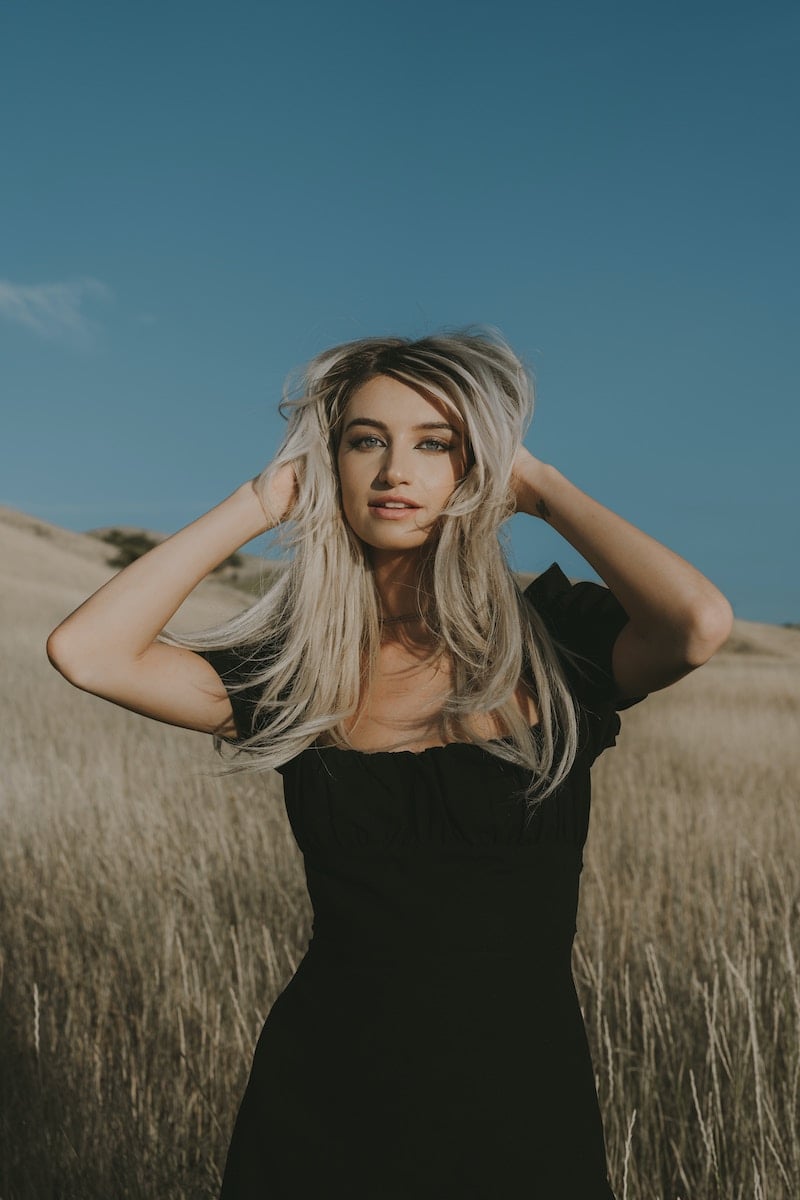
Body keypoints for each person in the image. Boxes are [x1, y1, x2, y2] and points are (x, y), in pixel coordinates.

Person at [47, 328, 733, 1198]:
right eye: (365, 440)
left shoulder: (557, 651)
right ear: (331, 463)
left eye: (434, 443)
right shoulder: (303, 676)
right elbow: (87, 653)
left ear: (476, 465)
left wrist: (541, 488)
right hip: (322, 1107)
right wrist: (260, 501)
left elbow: (698, 625)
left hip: (522, 1108)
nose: (394, 471)